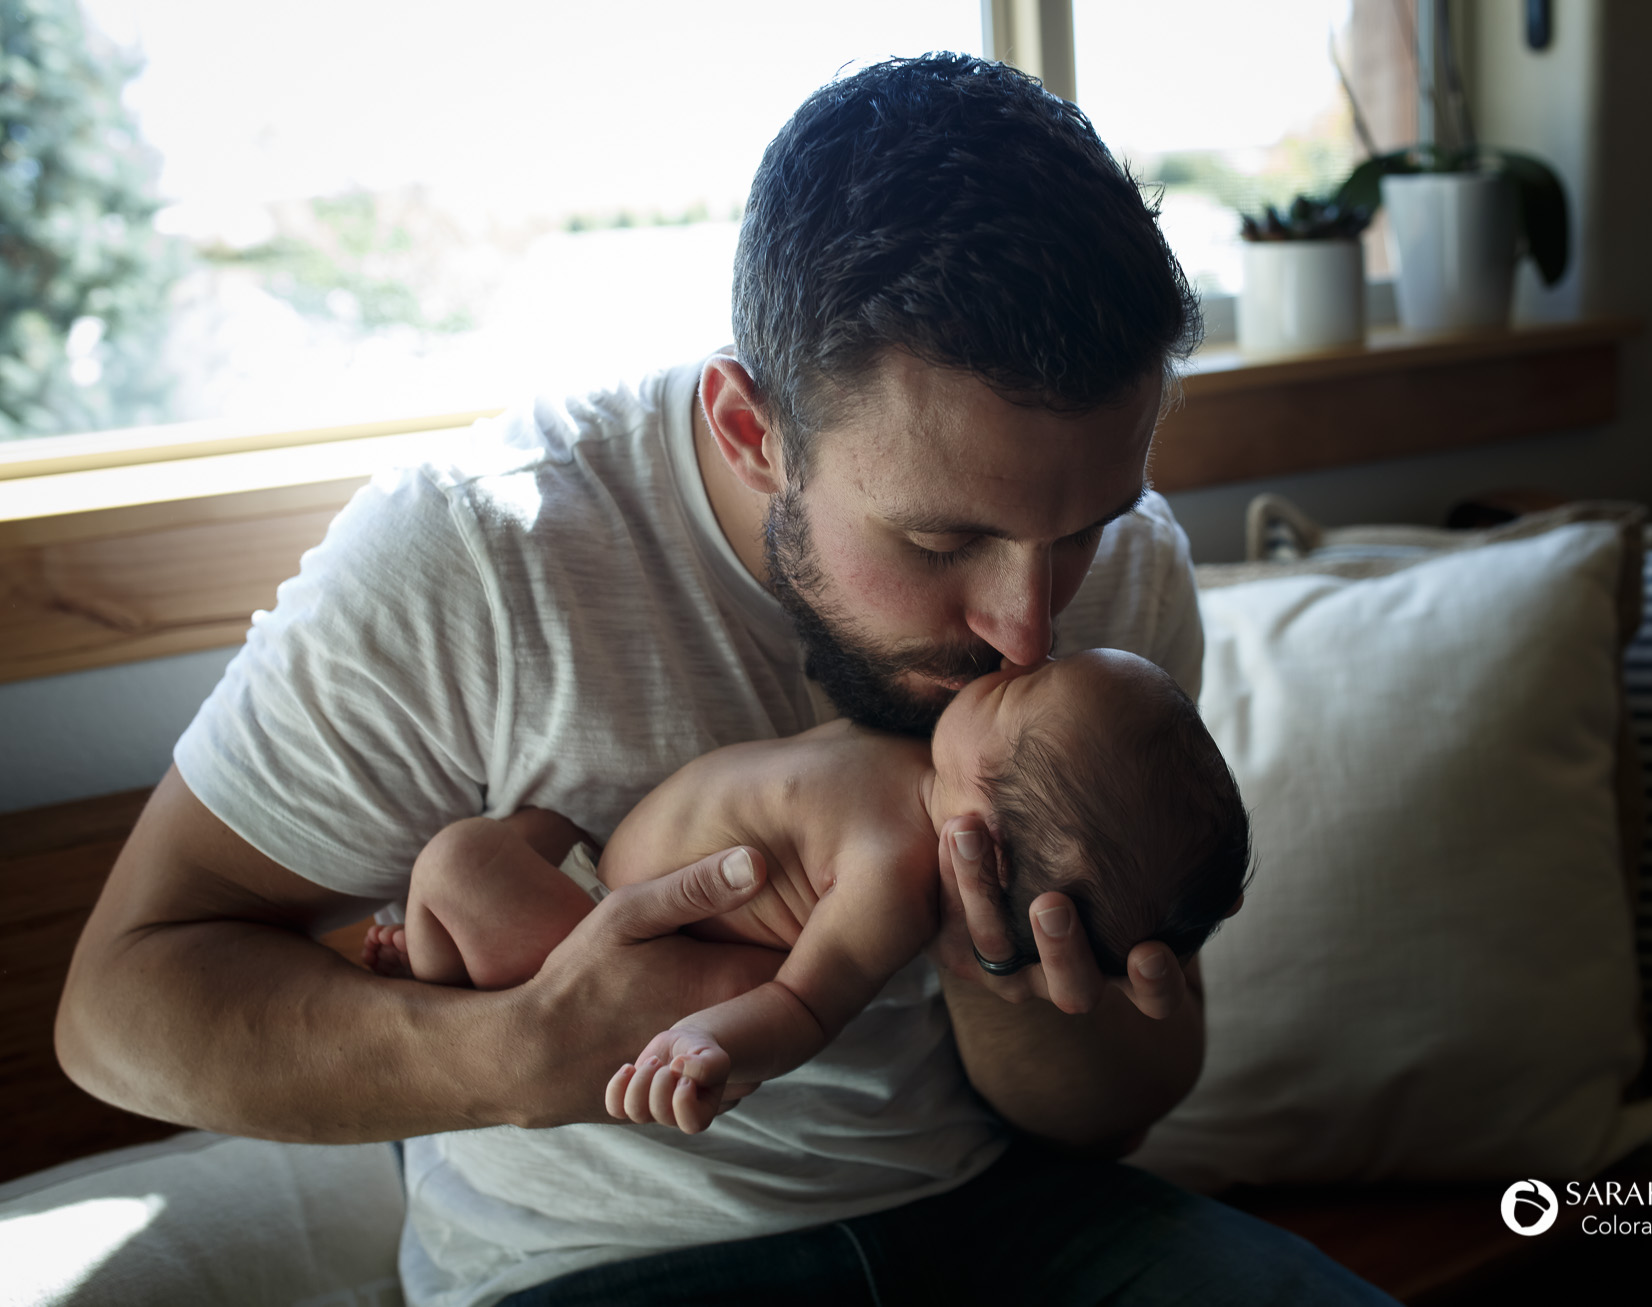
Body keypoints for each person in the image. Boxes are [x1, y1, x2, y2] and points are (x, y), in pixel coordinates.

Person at [56, 54, 1399, 1306]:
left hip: (1023, 1216)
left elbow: (1121, 1101)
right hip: (603, 1264)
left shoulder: (1129, 573)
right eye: (940, 540)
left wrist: (996, 960)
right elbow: (118, 1007)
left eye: (1088, 527)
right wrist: (517, 1052)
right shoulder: (481, 551)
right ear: (750, 430)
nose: (1030, 624)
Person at [365, 650, 1252, 1135]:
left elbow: (803, 1000)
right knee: (525, 835)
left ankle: (432, 966)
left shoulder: (893, 869)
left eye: (1021, 686)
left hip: (650, 962)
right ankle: (432, 955)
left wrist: (704, 1045)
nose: (1019, 649)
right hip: (595, 885)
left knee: (459, 862)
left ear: (983, 807)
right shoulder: (917, 759)